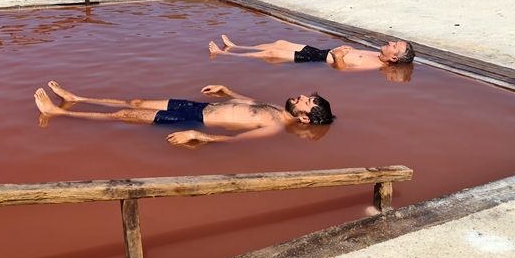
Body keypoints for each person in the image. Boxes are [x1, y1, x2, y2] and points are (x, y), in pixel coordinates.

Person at [33, 81, 334, 146]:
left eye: (307, 102)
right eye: (308, 96)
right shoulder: (273, 108)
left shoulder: (274, 126)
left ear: (304, 119)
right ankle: (78, 96)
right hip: (199, 107)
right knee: (136, 101)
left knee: (124, 115)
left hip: (194, 120)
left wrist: (198, 136)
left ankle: (58, 113)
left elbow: (232, 141)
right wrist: (227, 91)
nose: (303, 96)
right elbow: (250, 101)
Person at [208, 34, 415, 71]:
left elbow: (343, 70)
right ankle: (237, 46)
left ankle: (224, 54)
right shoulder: (375, 54)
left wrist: (339, 57)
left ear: (394, 58)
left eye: (393, 45)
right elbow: (352, 54)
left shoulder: (375, 65)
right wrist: (345, 50)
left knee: (272, 52)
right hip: (321, 51)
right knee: (280, 42)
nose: (389, 42)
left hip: (317, 59)